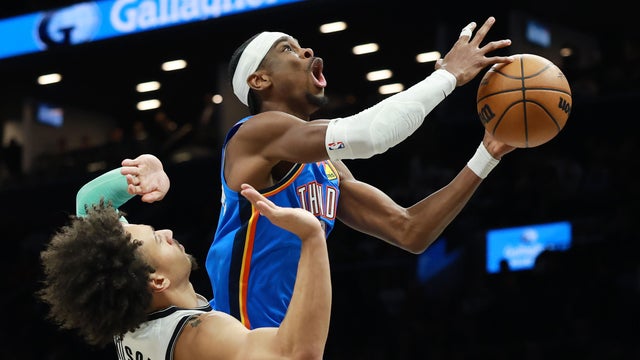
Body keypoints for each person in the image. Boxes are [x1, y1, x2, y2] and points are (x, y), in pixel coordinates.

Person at [207, 16, 517, 328]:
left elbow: (409, 230)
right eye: (287, 49)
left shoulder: (326, 169)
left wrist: (486, 154)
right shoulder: (254, 133)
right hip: (242, 335)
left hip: (288, 340)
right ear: (260, 80)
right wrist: (447, 76)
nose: (306, 51)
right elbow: (372, 134)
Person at [38, 154, 331, 360]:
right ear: (157, 280)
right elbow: (297, 354)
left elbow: (89, 205)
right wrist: (311, 238)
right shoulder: (198, 336)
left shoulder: (125, 299)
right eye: (156, 238)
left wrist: (141, 174)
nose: (166, 232)